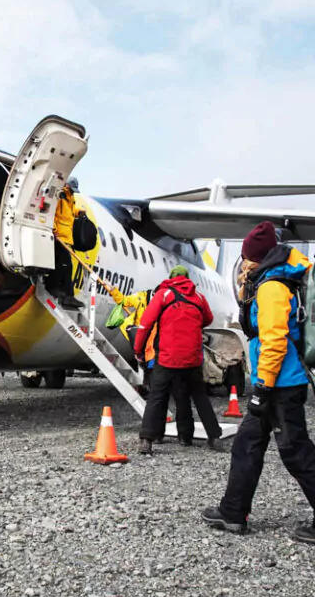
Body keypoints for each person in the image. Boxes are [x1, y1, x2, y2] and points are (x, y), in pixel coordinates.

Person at [203, 221, 315, 543]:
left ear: (256, 258)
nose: (243, 265)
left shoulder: (271, 287)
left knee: (295, 450)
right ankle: (232, 512)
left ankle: (233, 512)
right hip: (276, 381)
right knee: (247, 443)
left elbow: (275, 340)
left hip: (280, 384)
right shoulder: (268, 282)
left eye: (247, 258)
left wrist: (262, 387)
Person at [134, 265, 222, 454]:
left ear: (171, 277)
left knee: (157, 396)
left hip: (167, 357)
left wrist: (138, 349)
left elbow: (145, 324)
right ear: (187, 278)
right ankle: (213, 437)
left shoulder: (164, 294)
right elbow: (208, 319)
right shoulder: (198, 297)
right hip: (192, 358)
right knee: (198, 397)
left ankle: (148, 440)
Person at [47, 176, 85, 310]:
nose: (73, 191)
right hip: (59, 237)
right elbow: (52, 214)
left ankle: (66, 294)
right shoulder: (60, 196)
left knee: (66, 266)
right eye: (72, 188)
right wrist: (54, 230)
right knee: (64, 265)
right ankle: (57, 290)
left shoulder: (70, 199)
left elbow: (69, 213)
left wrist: (78, 212)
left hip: (67, 237)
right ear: (67, 186)